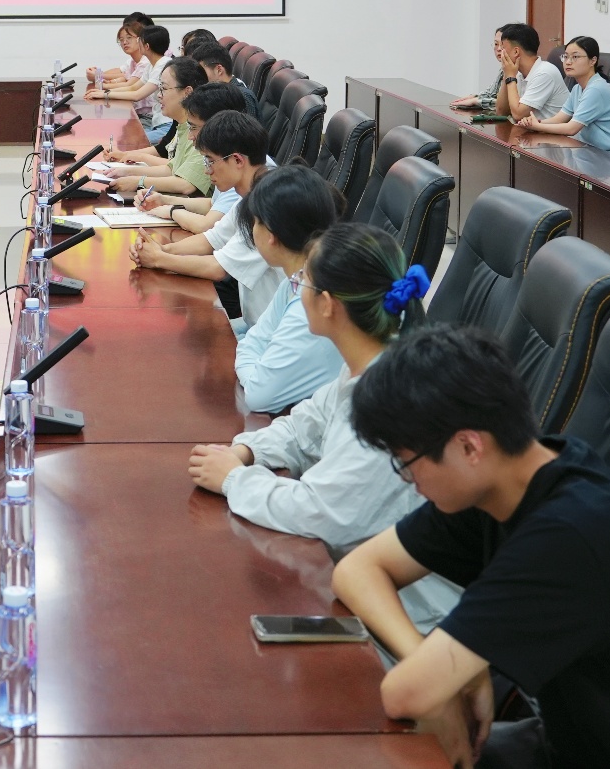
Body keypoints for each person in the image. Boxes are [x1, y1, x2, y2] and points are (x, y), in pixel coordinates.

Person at [332, 327, 610, 769]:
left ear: (468, 446)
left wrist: (438, 683)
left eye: (407, 463)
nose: (411, 482)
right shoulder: (511, 479)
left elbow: (405, 693)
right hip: (578, 742)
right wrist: (444, 670)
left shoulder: (566, 536)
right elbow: (356, 569)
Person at [189, 223, 464, 629]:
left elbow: (319, 512)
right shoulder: (372, 361)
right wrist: (246, 451)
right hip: (352, 577)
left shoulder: (390, 401)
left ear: (328, 305)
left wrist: (233, 479)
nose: (296, 289)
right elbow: (305, 426)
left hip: (407, 620)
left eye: (303, 281)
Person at [132, 110, 281, 323]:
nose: (206, 171)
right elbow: (211, 239)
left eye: (210, 161)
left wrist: (158, 259)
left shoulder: (269, 202)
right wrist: (161, 249)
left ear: (237, 160)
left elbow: (218, 268)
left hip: (271, 330)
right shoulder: (251, 194)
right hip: (258, 324)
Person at [231, 165, 346, 413]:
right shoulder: (296, 280)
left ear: (271, 235)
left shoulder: (312, 304)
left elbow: (259, 396)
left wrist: (256, 369)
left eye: (256, 222)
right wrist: (257, 367)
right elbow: (252, 341)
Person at [133, 84, 248, 225]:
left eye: (193, 128)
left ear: (216, 123)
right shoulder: (226, 155)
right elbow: (212, 204)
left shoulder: (236, 165)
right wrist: (164, 200)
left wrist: (172, 211)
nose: (190, 136)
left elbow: (206, 225)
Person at [104, 58, 211, 196]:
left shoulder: (201, 129)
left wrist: (139, 181)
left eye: (164, 89)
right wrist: (126, 171)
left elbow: (186, 184)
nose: (159, 96)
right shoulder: (183, 125)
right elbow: (171, 168)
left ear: (187, 92)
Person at [514, 36, 610, 155]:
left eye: (575, 57)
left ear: (593, 61)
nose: (568, 62)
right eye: (566, 56)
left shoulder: (596, 89)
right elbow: (559, 119)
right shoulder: (578, 88)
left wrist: (537, 127)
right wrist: (534, 123)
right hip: (591, 151)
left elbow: (571, 129)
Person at [89, 24, 172, 143]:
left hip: (166, 126)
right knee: (124, 138)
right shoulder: (152, 64)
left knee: (132, 142)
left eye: (139, 40)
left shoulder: (163, 65)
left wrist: (105, 94)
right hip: (157, 123)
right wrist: (104, 92)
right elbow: (133, 87)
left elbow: (137, 95)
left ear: (147, 46)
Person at [496, 24, 566, 123]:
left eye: (503, 48)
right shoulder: (517, 73)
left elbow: (518, 115)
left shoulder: (544, 72)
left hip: (551, 132)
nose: (500, 52)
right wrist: (507, 74)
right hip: (531, 130)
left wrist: (510, 77)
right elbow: (501, 112)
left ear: (516, 52)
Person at [189, 41, 260, 114]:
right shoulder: (217, 94)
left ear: (219, 70)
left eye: (202, 71)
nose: (199, 76)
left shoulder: (243, 97)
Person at [453, 30, 506, 111]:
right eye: (496, 44)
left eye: (502, 45)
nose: (499, 49)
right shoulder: (503, 69)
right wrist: (475, 97)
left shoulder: (518, 73)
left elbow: (504, 105)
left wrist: (475, 101)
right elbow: (491, 93)